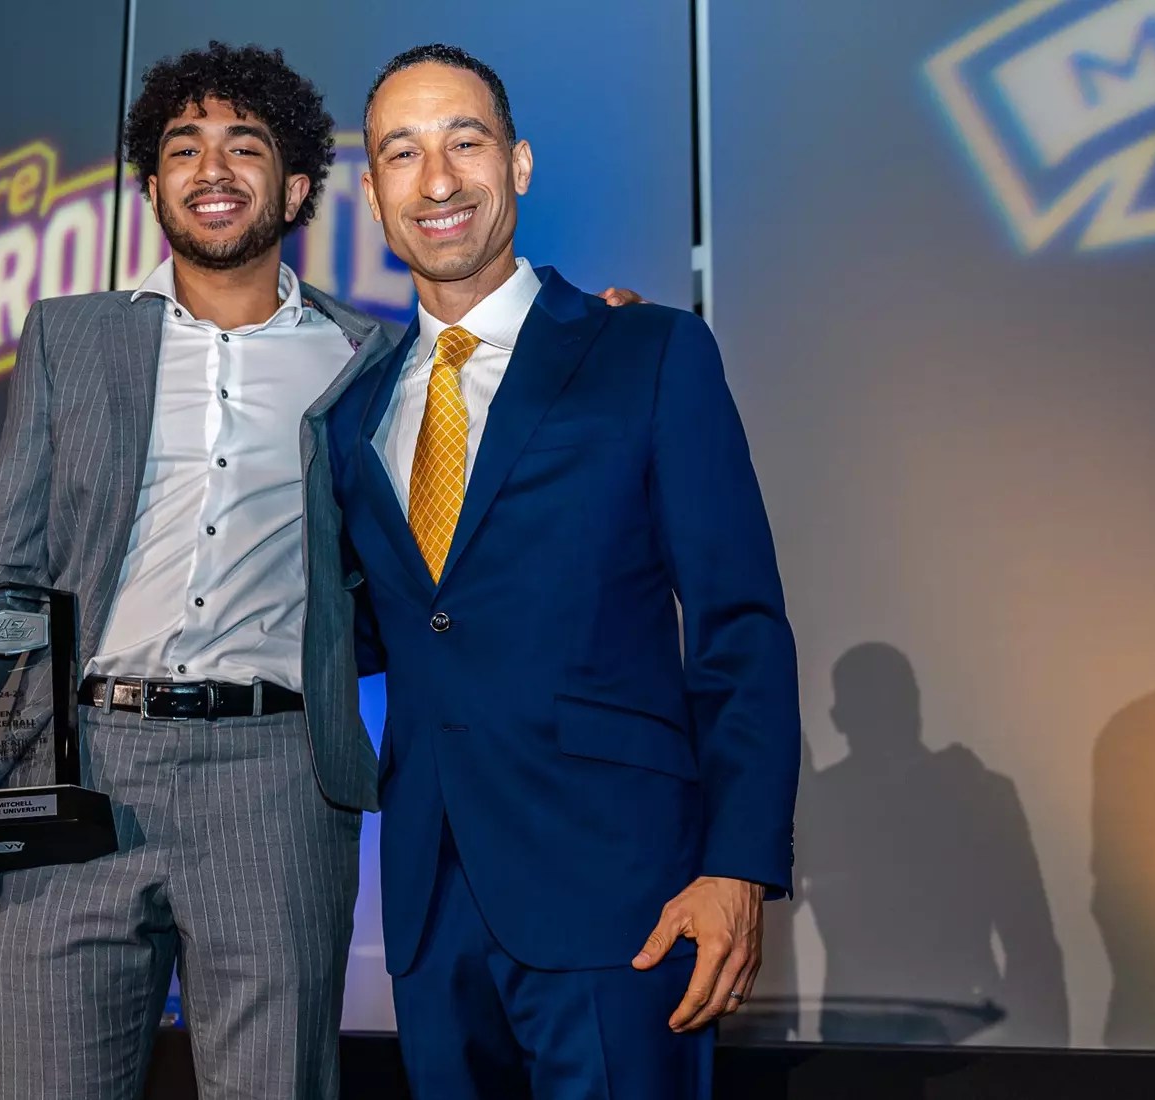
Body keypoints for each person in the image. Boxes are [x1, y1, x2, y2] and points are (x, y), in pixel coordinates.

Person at [0, 42, 637, 1100]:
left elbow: (474, 432)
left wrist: (588, 338)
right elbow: (6, 561)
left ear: (301, 186)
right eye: (183, 148)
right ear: (153, 184)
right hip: (77, 766)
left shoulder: (374, 360)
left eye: (243, 145)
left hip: (276, 781)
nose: (211, 167)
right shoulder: (70, 339)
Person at [326, 45, 801, 1099]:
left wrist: (737, 864)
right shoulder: (355, 410)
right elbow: (371, 625)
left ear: (521, 163)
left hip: (621, 896)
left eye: (466, 142)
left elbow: (739, 626)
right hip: (429, 903)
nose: (437, 180)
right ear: (372, 191)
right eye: (402, 153)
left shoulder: (651, 353)